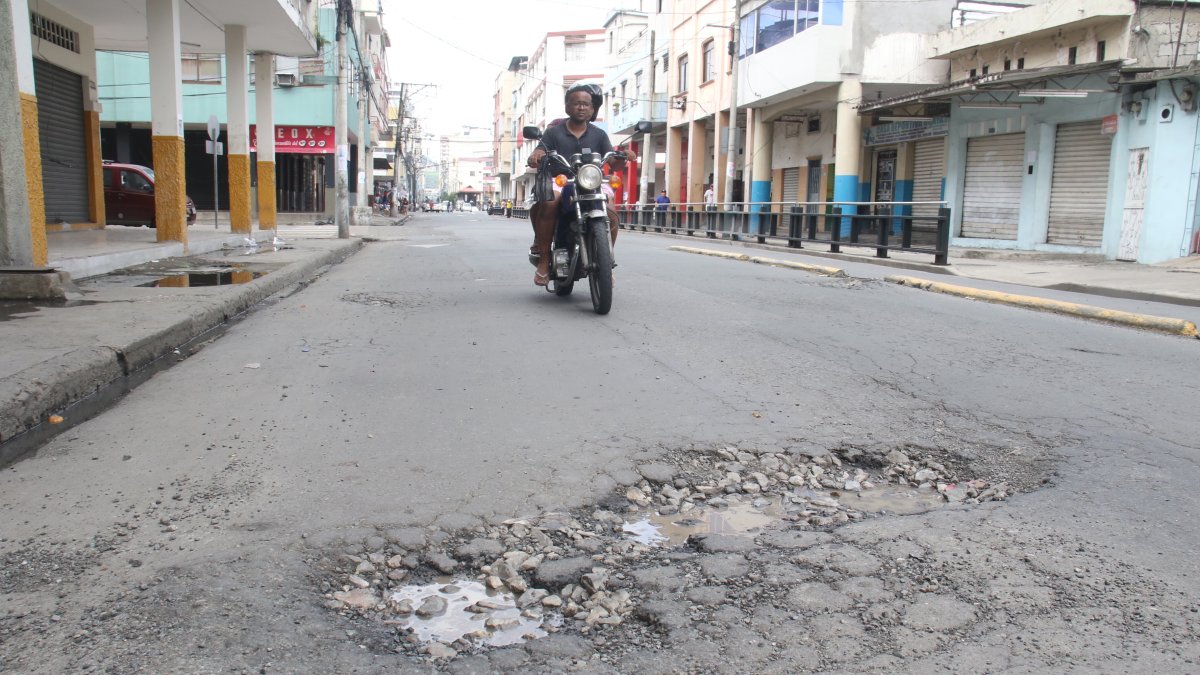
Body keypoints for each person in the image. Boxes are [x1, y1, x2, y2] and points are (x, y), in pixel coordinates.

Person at [527, 83, 626, 287]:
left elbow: (615, 163)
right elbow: (539, 151)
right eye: (577, 103)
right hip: (561, 180)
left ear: (592, 109)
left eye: (586, 104)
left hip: (592, 181)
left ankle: (606, 260)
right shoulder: (553, 133)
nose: (581, 108)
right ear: (567, 107)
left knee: (611, 206)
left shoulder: (599, 134)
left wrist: (624, 156)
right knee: (551, 200)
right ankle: (544, 261)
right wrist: (537, 155)